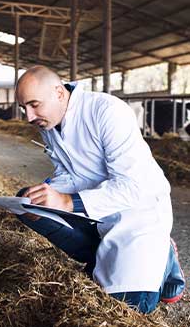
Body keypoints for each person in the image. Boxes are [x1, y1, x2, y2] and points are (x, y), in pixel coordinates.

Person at [14, 65, 185, 313]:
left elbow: (133, 187)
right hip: (95, 207)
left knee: (128, 308)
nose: (28, 116)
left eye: (34, 104)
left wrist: (65, 202)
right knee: (28, 203)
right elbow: (68, 172)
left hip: (139, 212)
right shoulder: (49, 121)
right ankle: (98, 257)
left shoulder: (107, 111)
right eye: (24, 108)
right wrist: (46, 191)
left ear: (59, 93)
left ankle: (162, 254)